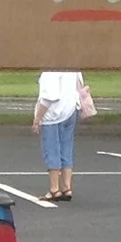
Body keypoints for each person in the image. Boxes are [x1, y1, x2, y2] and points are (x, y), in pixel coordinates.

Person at [34, 69, 90, 201]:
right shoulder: (72, 68)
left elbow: (48, 98)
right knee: (66, 148)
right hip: (70, 110)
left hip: (53, 114)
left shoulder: (50, 72)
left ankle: (54, 189)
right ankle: (67, 187)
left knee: (51, 149)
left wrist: (37, 118)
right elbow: (79, 85)